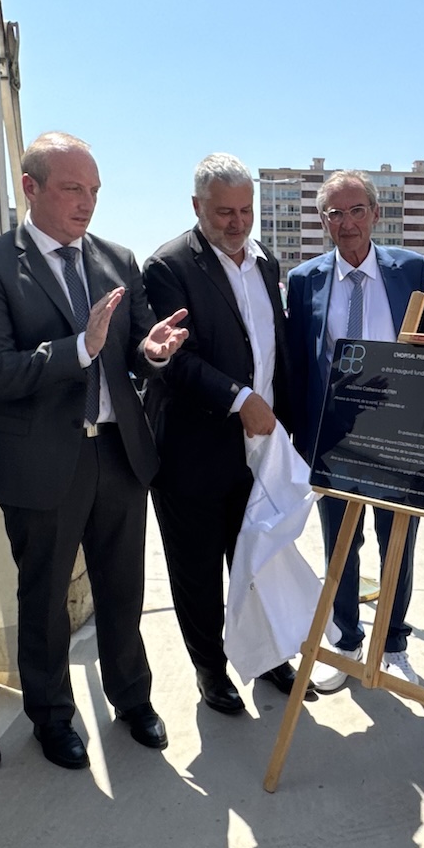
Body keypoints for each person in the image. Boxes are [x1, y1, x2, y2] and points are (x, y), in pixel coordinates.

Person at [0, 132, 189, 769]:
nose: (86, 204)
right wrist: (78, 349)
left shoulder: (117, 258)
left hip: (117, 453)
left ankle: (132, 700)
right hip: (39, 464)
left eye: (93, 191)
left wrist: (154, 350)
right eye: (71, 190)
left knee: (123, 590)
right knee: (46, 598)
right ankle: (52, 717)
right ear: (30, 188)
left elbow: (140, 344)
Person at [142, 153, 297, 712]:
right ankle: (212, 670)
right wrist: (240, 400)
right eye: (224, 212)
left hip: (261, 450)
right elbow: (177, 363)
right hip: (195, 453)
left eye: (245, 210)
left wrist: (286, 423)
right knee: (200, 571)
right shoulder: (168, 266)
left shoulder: (266, 263)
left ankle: (268, 655)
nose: (237, 223)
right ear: (196, 207)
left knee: (257, 559)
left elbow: (275, 353)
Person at [284, 170, 424, 692]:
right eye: (334, 213)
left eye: (355, 211)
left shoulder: (413, 270)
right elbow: (301, 363)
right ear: (323, 219)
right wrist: (303, 439)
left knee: (398, 539)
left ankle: (392, 641)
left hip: (398, 434)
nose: (345, 223)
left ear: (375, 213)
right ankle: (346, 639)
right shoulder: (305, 279)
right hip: (333, 436)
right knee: (339, 544)